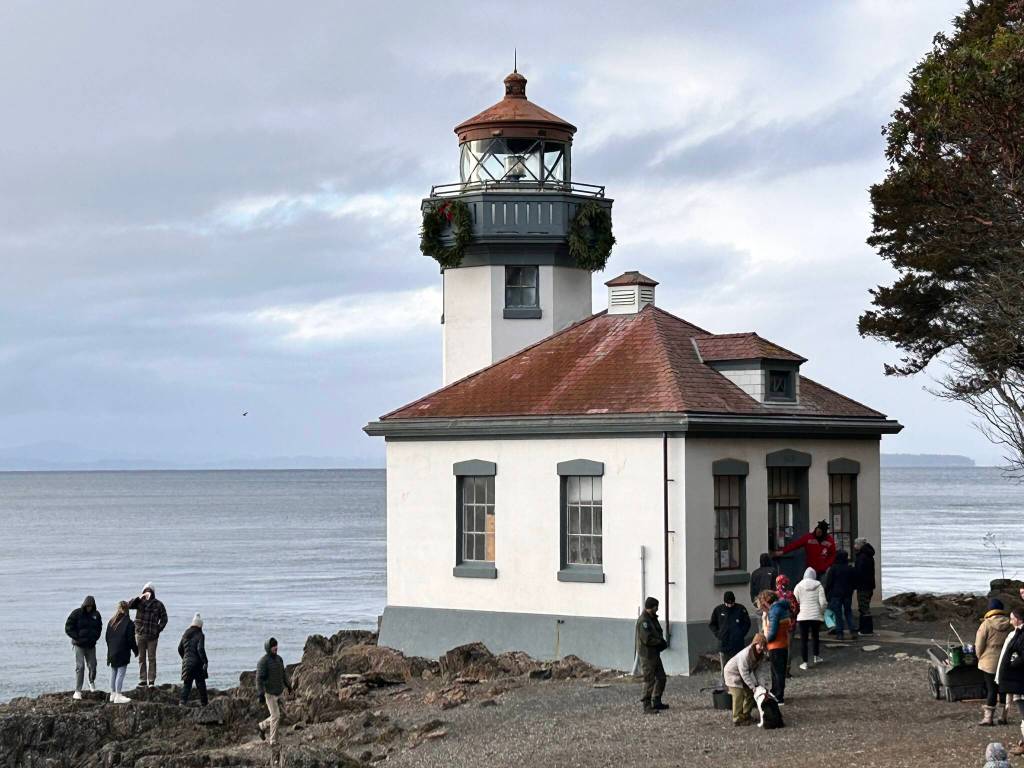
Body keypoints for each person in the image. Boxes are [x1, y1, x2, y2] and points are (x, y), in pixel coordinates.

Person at [977, 599, 1013, 727]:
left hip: (989, 661)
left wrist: (980, 657)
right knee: (1004, 688)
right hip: (1006, 660)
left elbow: (979, 645)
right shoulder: (1010, 623)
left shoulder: (986, 624)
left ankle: (988, 718)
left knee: (991, 689)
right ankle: (1003, 717)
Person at [257, 637, 295, 756]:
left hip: (280, 692)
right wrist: (260, 694)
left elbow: (283, 674)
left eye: (276, 645)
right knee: (276, 716)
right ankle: (273, 741)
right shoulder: (263, 662)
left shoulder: (279, 659)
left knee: (279, 715)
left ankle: (262, 726)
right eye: (273, 646)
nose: (276, 648)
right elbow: (259, 679)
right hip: (270, 694)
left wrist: (289, 686)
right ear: (268, 647)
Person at [723, 633, 769, 726]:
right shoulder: (745, 655)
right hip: (732, 673)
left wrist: (762, 686)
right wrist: (752, 686)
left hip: (742, 674)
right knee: (738, 695)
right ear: (755, 643)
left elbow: (759, 672)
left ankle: (746, 715)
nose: (761, 647)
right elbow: (744, 673)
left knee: (750, 694)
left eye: (763, 645)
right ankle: (737, 719)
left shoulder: (761, 656)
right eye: (760, 644)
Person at [128, 582, 168, 687]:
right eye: (146, 590)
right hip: (140, 635)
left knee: (151, 658)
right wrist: (138, 598)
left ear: (153, 592)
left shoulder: (158, 604)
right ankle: (143, 680)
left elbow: (164, 619)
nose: (147, 592)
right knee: (141, 658)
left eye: (149, 591)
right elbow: (129, 605)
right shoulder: (139, 602)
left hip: (152, 637)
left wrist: (157, 629)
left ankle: (151, 681)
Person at [995, 607, 1024, 756]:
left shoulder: (1019, 635)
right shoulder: (1017, 633)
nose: (1010, 621)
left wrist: (1012, 664)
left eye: (1012, 618)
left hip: (1019, 681)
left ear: (1018, 619)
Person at [634, 597, 669, 713]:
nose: (657, 609)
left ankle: (656, 700)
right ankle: (647, 706)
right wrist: (659, 642)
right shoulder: (643, 621)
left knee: (661, 677)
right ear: (652, 607)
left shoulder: (652, 618)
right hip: (647, 655)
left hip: (655, 653)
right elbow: (647, 639)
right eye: (656, 606)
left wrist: (661, 643)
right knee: (649, 680)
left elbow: (657, 632)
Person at [65, 595, 103, 701]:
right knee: (80, 667)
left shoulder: (96, 614)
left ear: (93, 605)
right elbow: (68, 626)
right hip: (79, 645)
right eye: (87, 606)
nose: (89, 608)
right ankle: (78, 691)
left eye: (91, 606)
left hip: (91, 645)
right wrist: (76, 637)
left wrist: (95, 638)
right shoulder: (77, 613)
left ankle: (91, 681)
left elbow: (99, 627)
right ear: (84, 605)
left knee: (93, 665)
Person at [709, 591, 751, 685]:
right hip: (724, 644)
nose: (730, 605)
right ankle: (725, 685)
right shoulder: (718, 610)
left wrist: (741, 634)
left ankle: (740, 684)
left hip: (738, 645)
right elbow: (712, 624)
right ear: (724, 602)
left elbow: (747, 623)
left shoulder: (741, 609)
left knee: (740, 667)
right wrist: (718, 634)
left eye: (732, 603)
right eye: (728, 603)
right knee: (725, 668)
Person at [759, 590, 791, 705]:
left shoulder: (774, 611)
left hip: (776, 645)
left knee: (777, 672)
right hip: (783, 643)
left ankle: (778, 696)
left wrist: (764, 642)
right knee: (777, 671)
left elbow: (772, 633)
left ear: (766, 601)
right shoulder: (782, 608)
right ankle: (775, 692)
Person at [772, 520, 836, 577]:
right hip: (810, 570)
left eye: (820, 532)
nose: (817, 533)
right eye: (817, 530)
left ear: (823, 533)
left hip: (823, 570)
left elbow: (832, 555)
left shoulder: (829, 541)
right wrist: (782, 551)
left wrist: (826, 566)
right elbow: (795, 545)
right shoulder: (809, 537)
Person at [793, 567, 828, 669]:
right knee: (815, 637)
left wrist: (797, 612)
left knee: (803, 640)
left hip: (802, 616)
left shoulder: (798, 586)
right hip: (815, 616)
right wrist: (821, 612)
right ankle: (816, 656)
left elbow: (795, 601)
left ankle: (805, 663)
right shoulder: (819, 586)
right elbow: (823, 602)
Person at [105, 600, 138, 704]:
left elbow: (107, 637)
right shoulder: (129, 623)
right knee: (120, 673)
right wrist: (136, 650)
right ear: (128, 610)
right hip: (122, 651)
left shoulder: (111, 621)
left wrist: (110, 648)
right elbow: (131, 639)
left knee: (113, 672)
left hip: (112, 651)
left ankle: (113, 694)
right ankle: (118, 695)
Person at [824, 550, 858, 641]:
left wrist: (827, 594)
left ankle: (840, 633)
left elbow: (829, 583)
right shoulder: (850, 568)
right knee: (848, 612)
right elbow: (854, 582)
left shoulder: (833, 568)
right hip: (847, 594)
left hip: (836, 594)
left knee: (838, 614)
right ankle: (853, 631)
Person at [178, 613, 209, 706]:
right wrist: (205, 661)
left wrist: (185, 658)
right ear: (200, 625)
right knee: (201, 683)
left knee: (187, 684)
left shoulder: (185, 634)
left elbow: (179, 648)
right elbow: (200, 649)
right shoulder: (200, 634)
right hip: (197, 663)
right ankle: (204, 703)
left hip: (186, 663)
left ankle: (182, 703)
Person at [775, 574, 799, 677]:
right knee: (789, 647)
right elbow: (796, 609)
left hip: (778, 625)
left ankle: (779, 668)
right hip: (790, 625)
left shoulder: (775, 595)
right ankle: (787, 670)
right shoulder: (791, 595)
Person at [853, 538, 877, 636]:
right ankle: (863, 627)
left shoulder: (862, 557)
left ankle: (866, 630)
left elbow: (859, 571)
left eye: (856, 544)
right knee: (864, 606)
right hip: (868, 585)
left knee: (864, 607)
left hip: (863, 585)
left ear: (860, 545)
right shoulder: (868, 555)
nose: (854, 546)